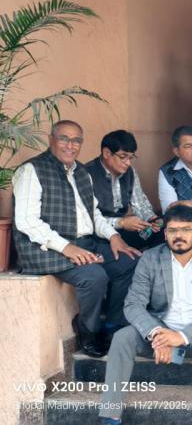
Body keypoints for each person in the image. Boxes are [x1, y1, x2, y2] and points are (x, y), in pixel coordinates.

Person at [98, 205, 192, 425]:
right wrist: (157, 334)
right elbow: (133, 304)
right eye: (172, 230)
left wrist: (180, 337)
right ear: (165, 234)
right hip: (160, 333)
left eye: (185, 229)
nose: (178, 236)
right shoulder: (150, 258)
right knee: (122, 337)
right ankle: (111, 415)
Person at [12, 120, 140, 358]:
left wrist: (113, 235)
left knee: (128, 262)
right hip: (44, 249)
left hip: (84, 243)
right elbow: (26, 221)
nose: (70, 145)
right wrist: (66, 247)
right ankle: (87, 329)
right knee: (94, 276)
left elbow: (94, 213)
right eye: (64, 139)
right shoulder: (32, 170)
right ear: (51, 139)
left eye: (76, 141)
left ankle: (113, 326)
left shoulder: (82, 172)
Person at [85, 130, 163, 250]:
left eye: (131, 157)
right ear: (106, 153)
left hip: (123, 229)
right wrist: (121, 222)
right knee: (123, 254)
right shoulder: (86, 174)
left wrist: (152, 220)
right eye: (123, 157)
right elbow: (87, 219)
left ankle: (148, 258)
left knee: (165, 233)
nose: (128, 163)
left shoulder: (130, 172)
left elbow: (140, 205)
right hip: (98, 234)